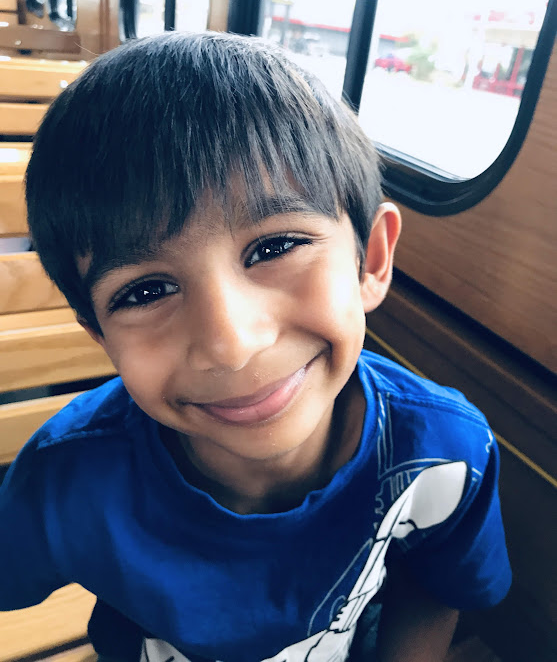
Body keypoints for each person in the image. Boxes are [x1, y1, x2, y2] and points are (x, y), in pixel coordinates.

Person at [0, 33, 510, 662]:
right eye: (146, 291)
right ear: (100, 335)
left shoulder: (443, 452)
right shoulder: (69, 479)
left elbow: (435, 588)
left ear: (371, 259)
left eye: (274, 247)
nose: (231, 345)